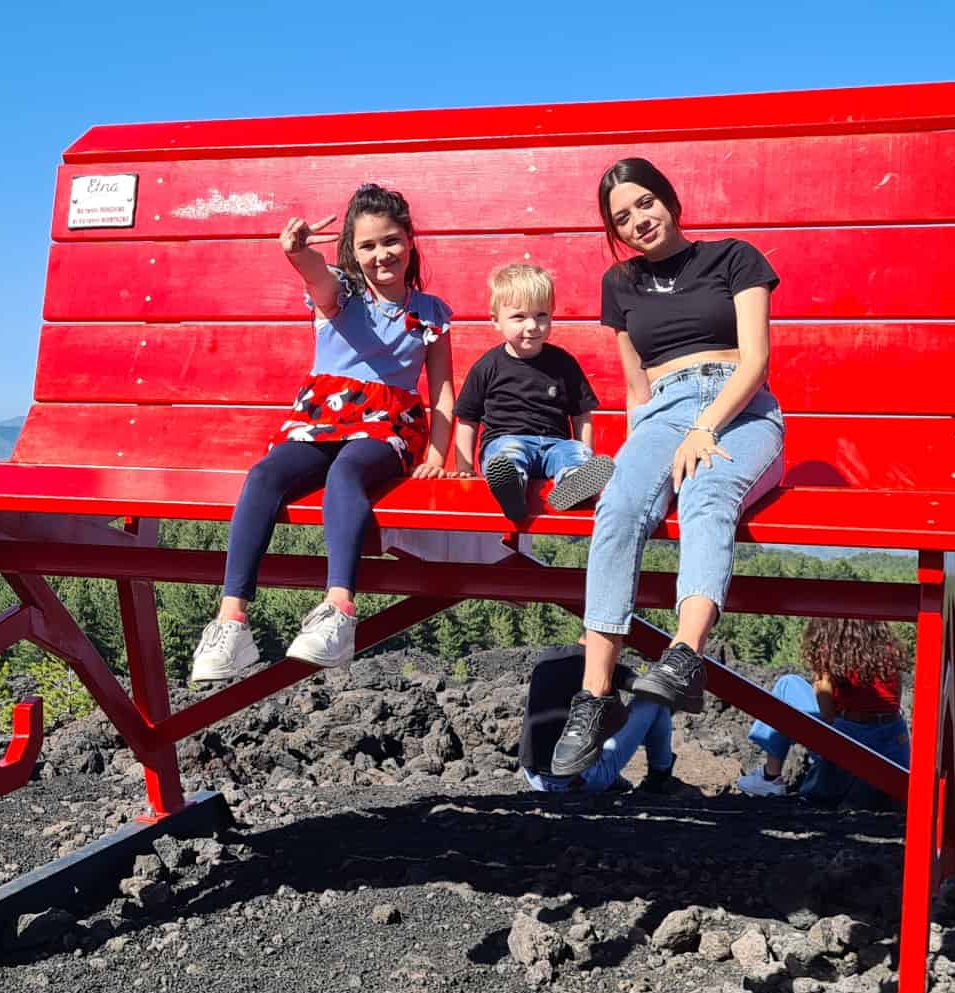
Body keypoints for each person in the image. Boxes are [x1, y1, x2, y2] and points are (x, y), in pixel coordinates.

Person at [549, 158, 785, 776]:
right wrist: (635, 457)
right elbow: (635, 389)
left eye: (645, 204)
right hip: (662, 413)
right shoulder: (619, 284)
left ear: (670, 200)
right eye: (622, 218)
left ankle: (683, 657)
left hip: (740, 409)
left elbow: (755, 361)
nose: (638, 222)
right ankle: (594, 695)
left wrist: (705, 428)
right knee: (619, 507)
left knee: (708, 494)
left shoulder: (735, 258)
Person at [189, 185, 455, 683]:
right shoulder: (339, 295)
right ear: (352, 253)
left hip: (386, 424)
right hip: (323, 418)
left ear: (411, 240)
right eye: (368, 246)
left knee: (349, 471)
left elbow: (441, 390)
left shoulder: (430, 312)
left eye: (392, 241)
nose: (382, 255)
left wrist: (438, 451)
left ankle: (338, 608)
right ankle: (231, 620)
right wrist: (296, 251)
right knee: (266, 475)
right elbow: (312, 270)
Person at [448, 262, 612, 529]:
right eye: (519, 317)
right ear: (495, 321)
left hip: (554, 445)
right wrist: (464, 468)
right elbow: (467, 419)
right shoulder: (487, 366)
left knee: (572, 452)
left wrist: (586, 452)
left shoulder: (563, 363)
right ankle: (511, 487)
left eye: (541, 315)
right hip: (507, 440)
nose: (532, 326)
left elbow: (582, 416)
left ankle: (575, 482)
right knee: (507, 454)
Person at [736, 619, 911, 806]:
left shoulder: (835, 650)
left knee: (787, 685)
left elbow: (827, 712)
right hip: (894, 739)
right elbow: (894, 700)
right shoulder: (888, 648)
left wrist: (802, 727)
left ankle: (770, 778)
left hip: (851, 735)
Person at [518, 650, 675, 794]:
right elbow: (648, 693)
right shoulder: (603, 667)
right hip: (577, 782)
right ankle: (659, 776)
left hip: (535, 778)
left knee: (582, 725)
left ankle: (613, 779)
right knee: (655, 699)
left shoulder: (547, 657)